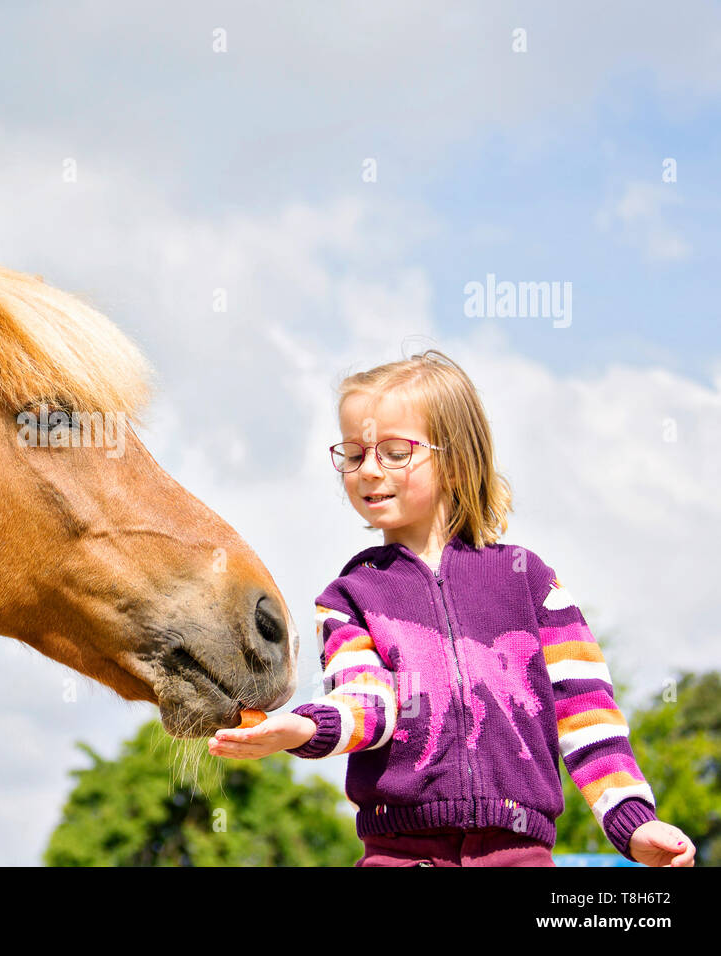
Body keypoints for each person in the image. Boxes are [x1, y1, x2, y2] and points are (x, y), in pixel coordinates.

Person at [209, 349, 695, 867]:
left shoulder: (531, 583)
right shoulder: (350, 596)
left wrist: (633, 824)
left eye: (395, 452)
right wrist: (307, 728)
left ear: (457, 458)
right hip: (400, 854)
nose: (369, 470)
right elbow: (367, 702)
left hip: (520, 854)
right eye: (353, 455)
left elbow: (586, 712)